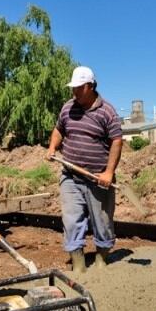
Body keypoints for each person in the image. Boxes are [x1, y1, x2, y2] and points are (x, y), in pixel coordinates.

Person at [47, 66, 123, 273]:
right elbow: (59, 129)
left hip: (98, 178)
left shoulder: (107, 111)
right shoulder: (68, 108)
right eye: (73, 88)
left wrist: (108, 172)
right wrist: (53, 147)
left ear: (90, 86)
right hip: (70, 176)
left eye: (79, 88)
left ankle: (101, 261)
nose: (74, 92)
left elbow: (117, 141)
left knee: (103, 222)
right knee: (71, 220)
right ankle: (78, 266)